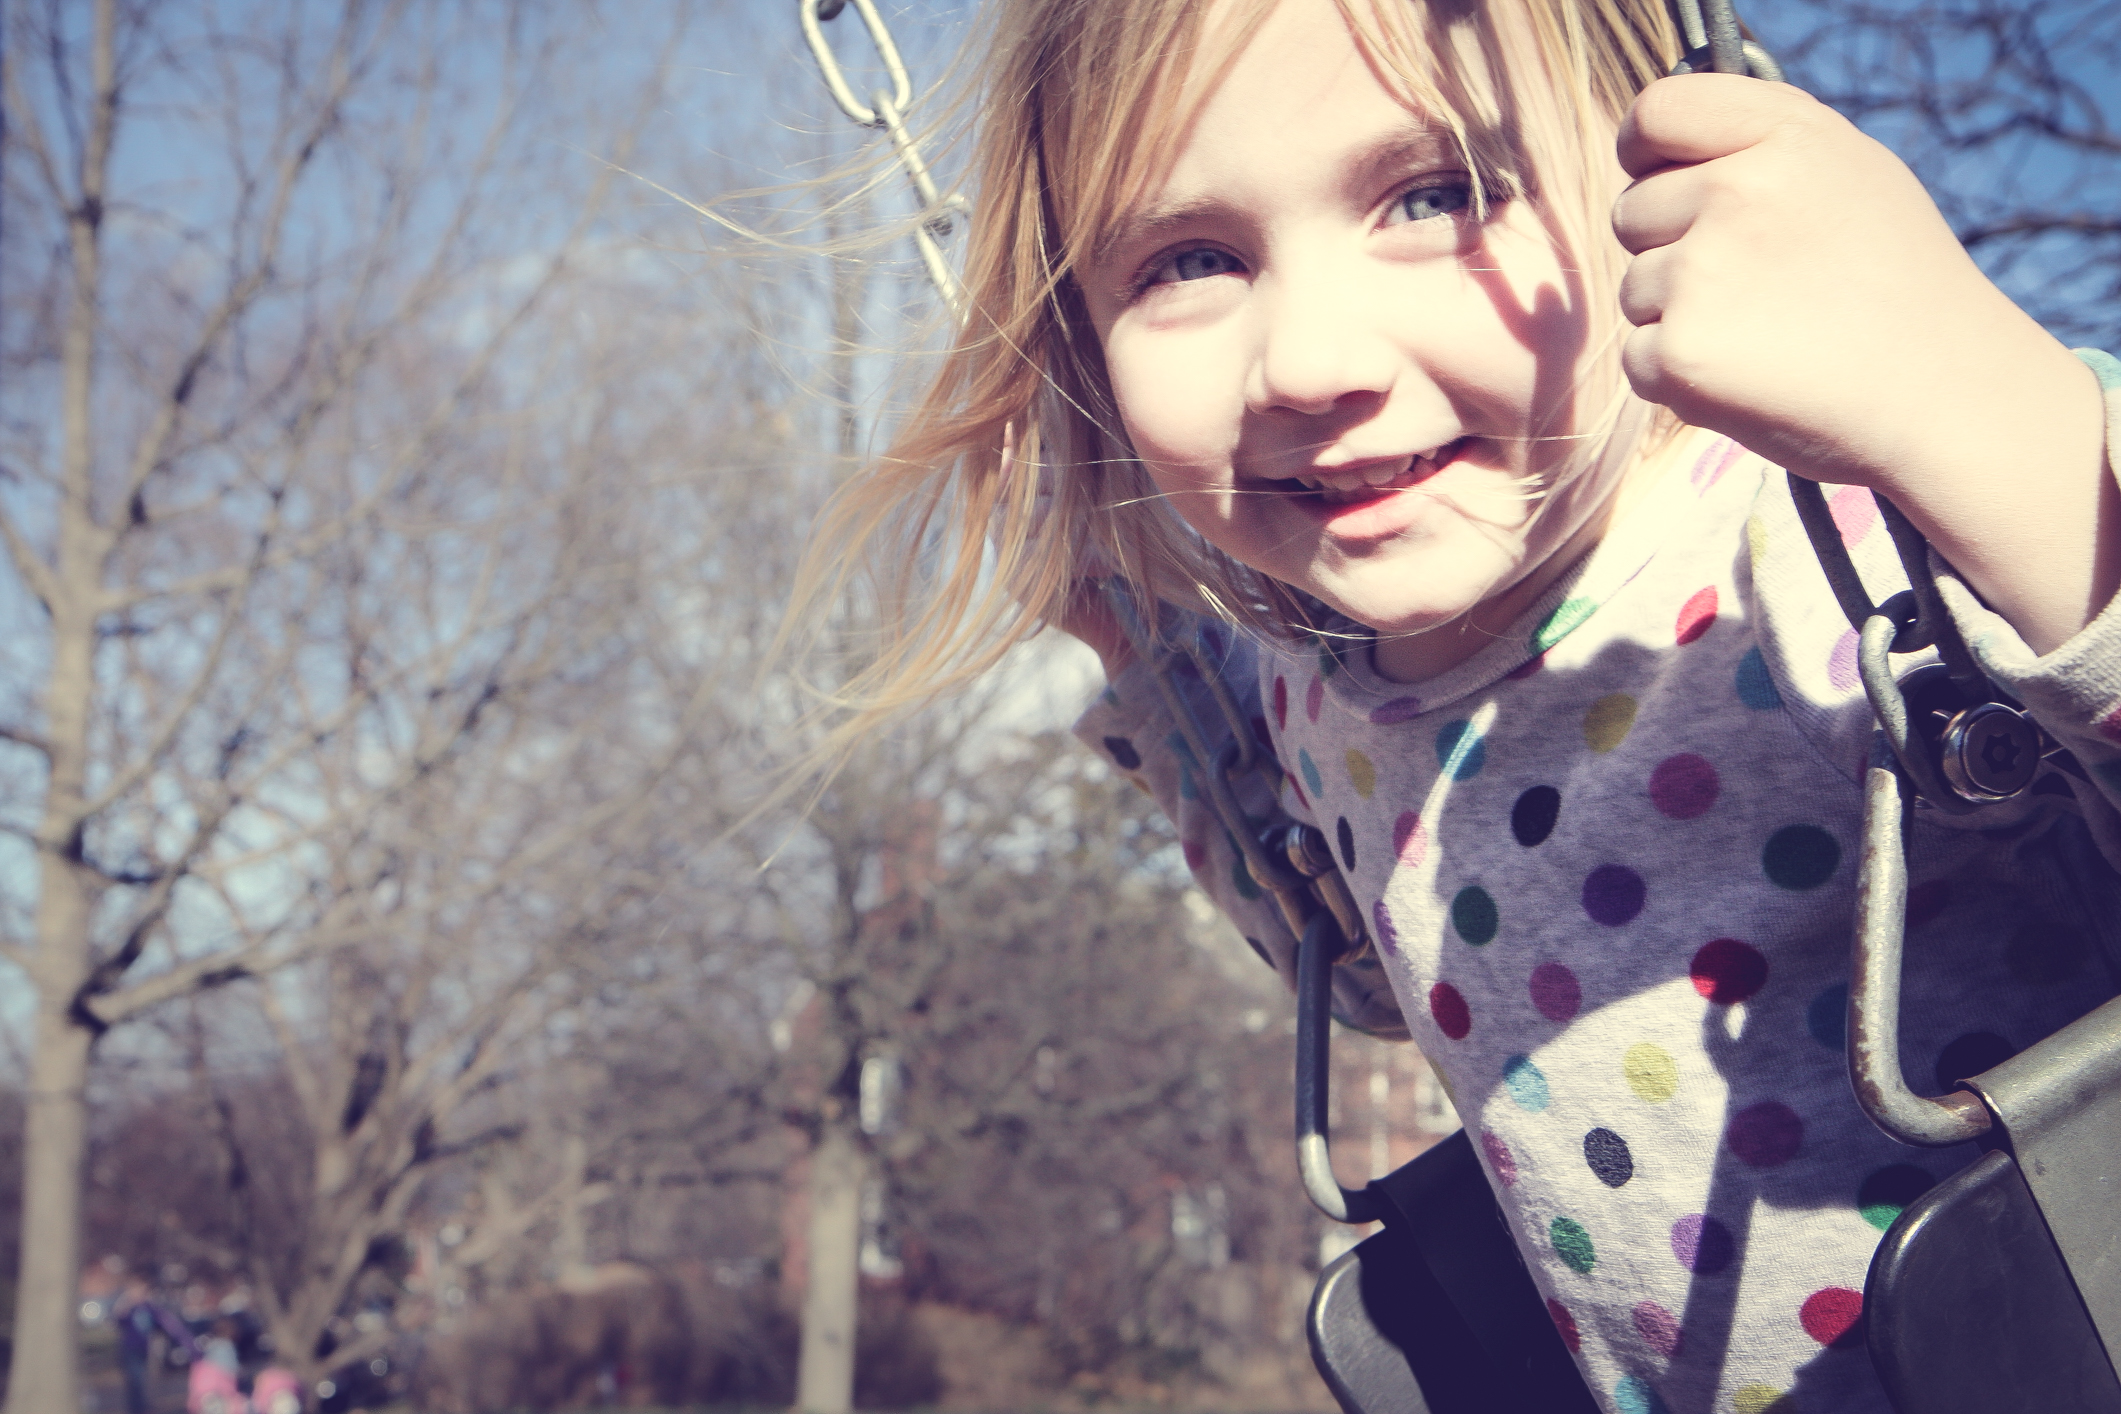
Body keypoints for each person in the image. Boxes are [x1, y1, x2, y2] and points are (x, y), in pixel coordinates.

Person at [781, 0, 2121, 1409]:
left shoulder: (1836, 539)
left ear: (1657, 186)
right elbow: (1360, 974)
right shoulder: (1313, 679)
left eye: (1434, 195)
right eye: (1187, 260)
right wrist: (1151, 680)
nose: (1306, 360)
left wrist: (1985, 422)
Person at [114, 1277, 200, 1414]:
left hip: (143, 1349)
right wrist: (126, 1303)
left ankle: (140, 1406)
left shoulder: (149, 1308)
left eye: (143, 1291)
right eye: (136, 1291)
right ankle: (136, 1408)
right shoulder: (128, 1308)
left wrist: (189, 1346)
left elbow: (169, 1324)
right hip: (130, 1349)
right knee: (135, 1380)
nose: (140, 1294)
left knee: (141, 1379)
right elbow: (118, 1318)